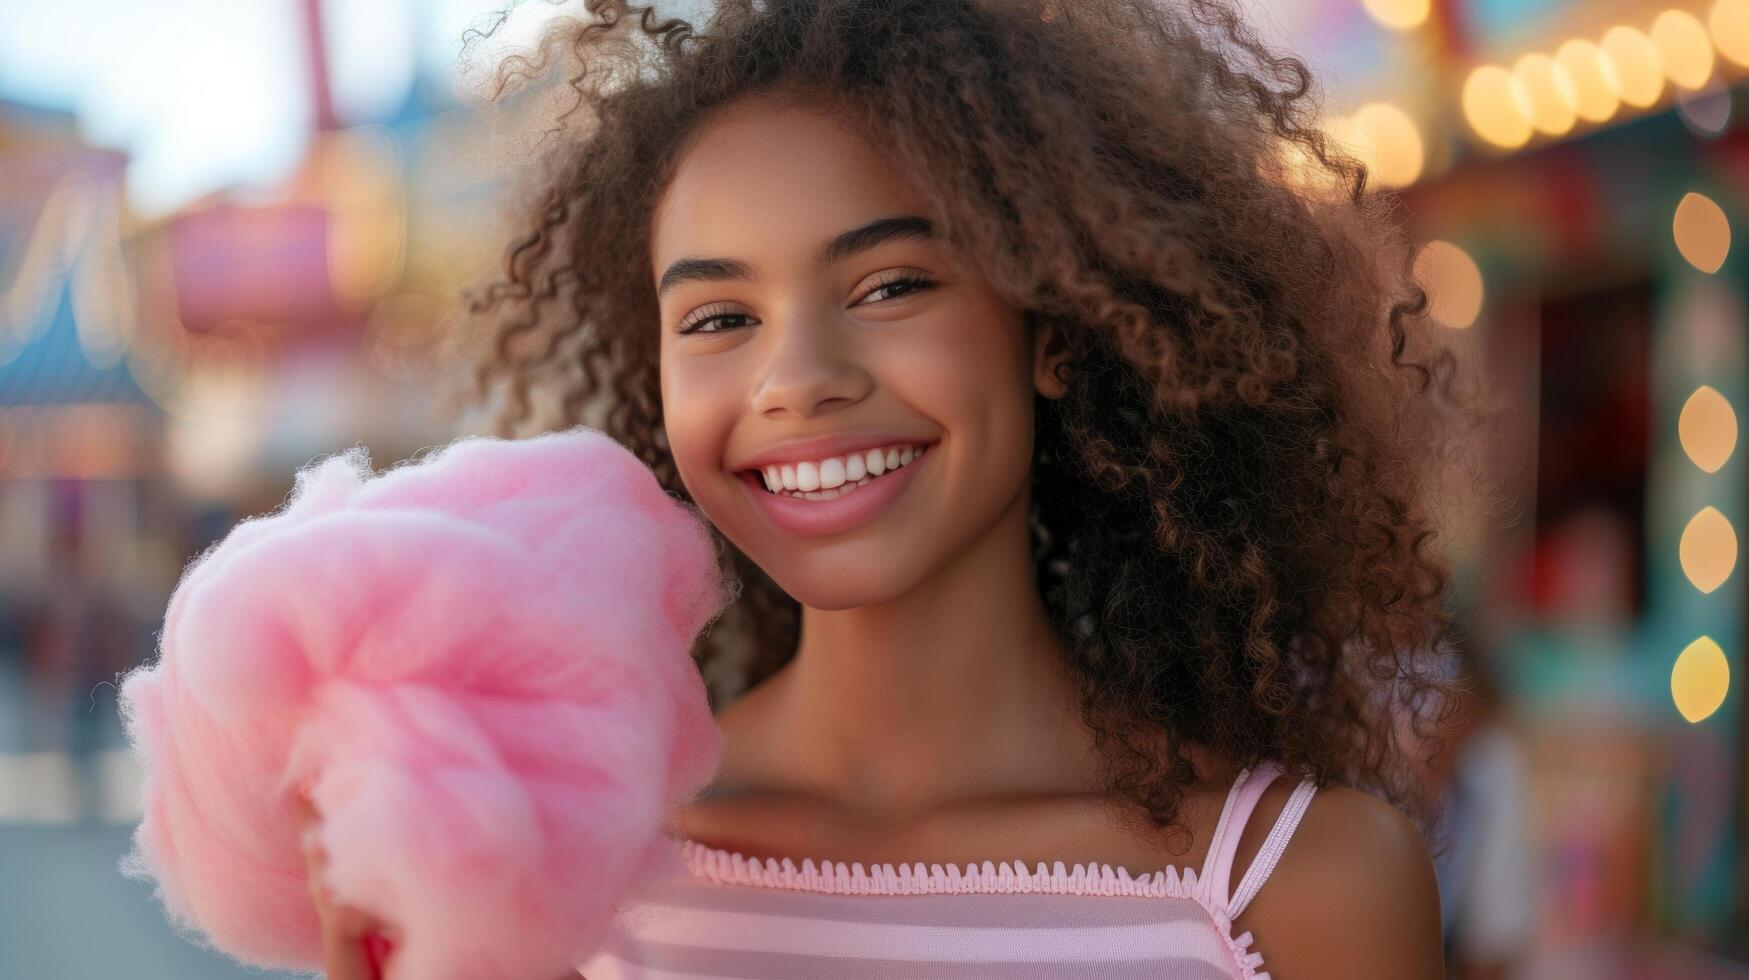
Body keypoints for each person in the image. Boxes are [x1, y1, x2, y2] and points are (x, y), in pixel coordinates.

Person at [300, 0, 1487, 976]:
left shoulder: (1302, 888)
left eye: (890, 286)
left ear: (1053, 329)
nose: (797, 380)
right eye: (719, 316)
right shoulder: (564, 858)